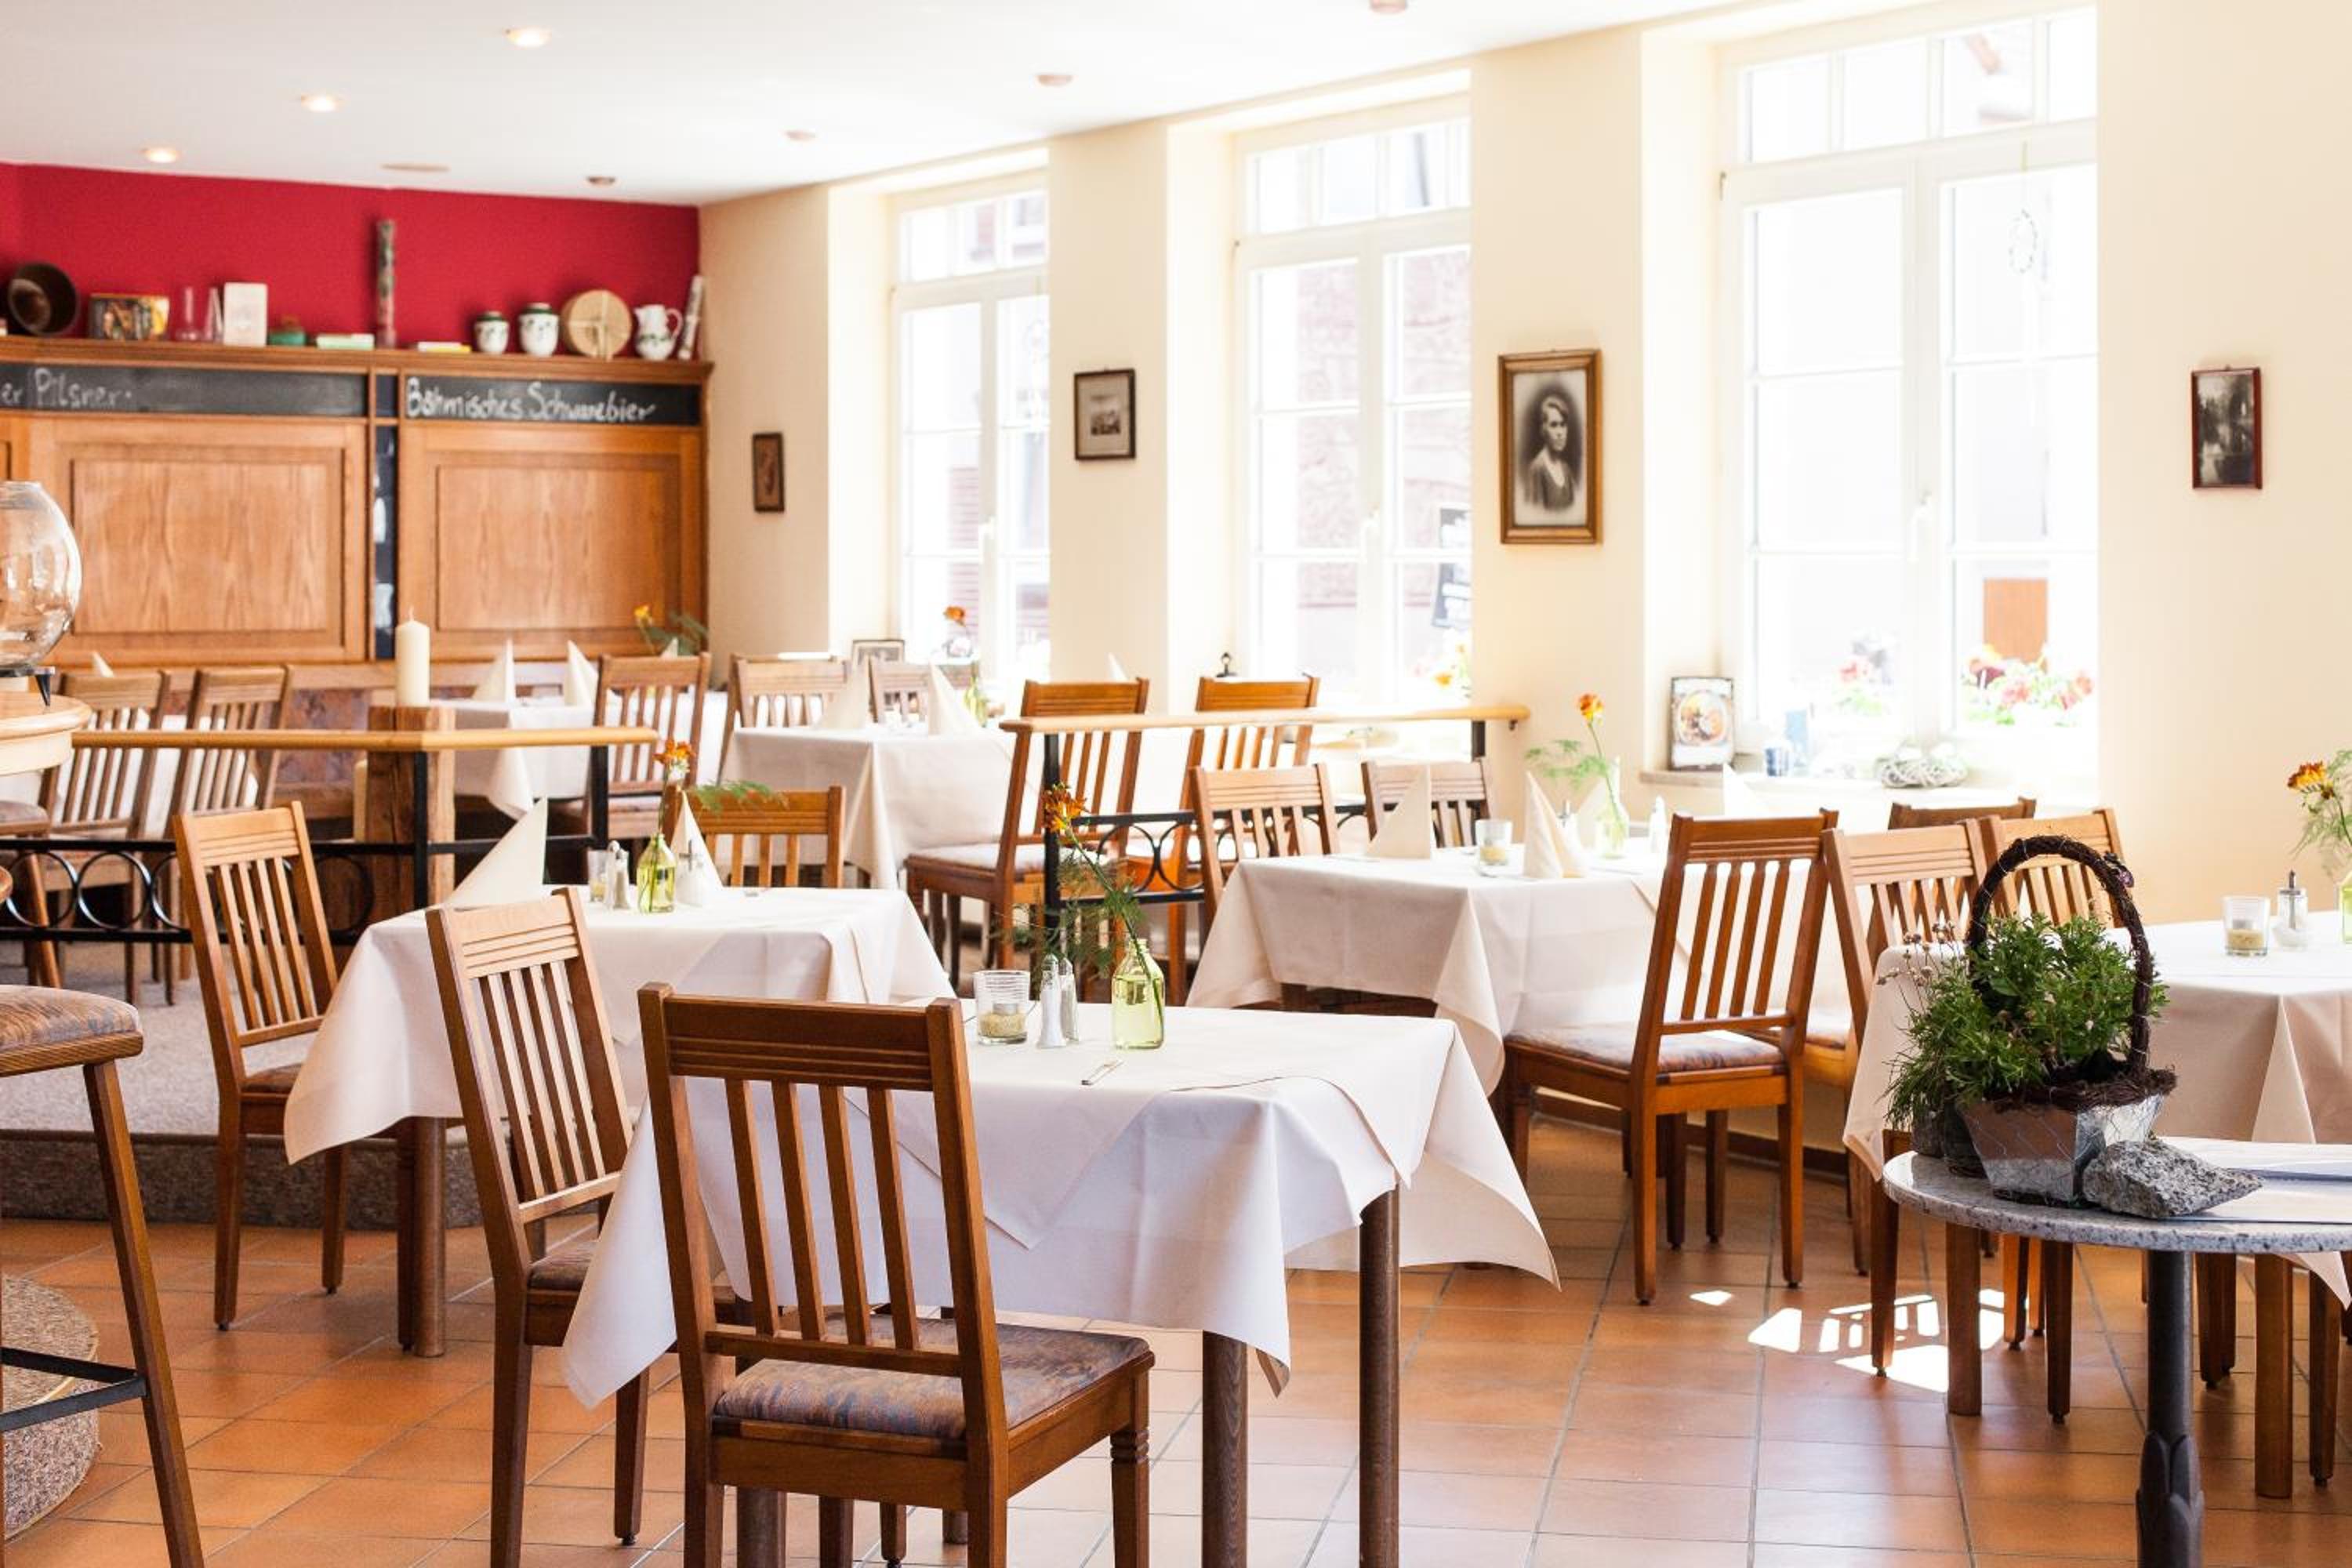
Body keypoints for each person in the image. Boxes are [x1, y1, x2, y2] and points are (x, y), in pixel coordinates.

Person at [1523, 390, 1580, 514]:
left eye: (1563, 425)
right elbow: (1534, 517)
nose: (1560, 432)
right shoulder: (1537, 470)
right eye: (1554, 425)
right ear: (1544, 431)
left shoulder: (1566, 470)